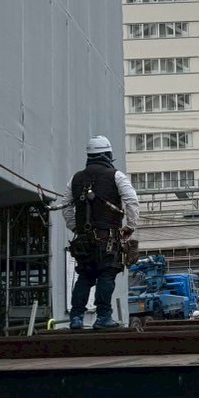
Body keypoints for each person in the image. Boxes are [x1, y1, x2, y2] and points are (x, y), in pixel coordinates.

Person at [63, 136, 140, 330]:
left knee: (85, 276)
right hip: (108, 240)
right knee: (106, 275)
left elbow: (65, 207)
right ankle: (104, 317)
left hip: (83, 241)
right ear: (108, 154)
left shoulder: (75, 179)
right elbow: (132, 201)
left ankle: (76, 317)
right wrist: (130, 226)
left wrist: (76, 228)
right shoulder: (116, 176)